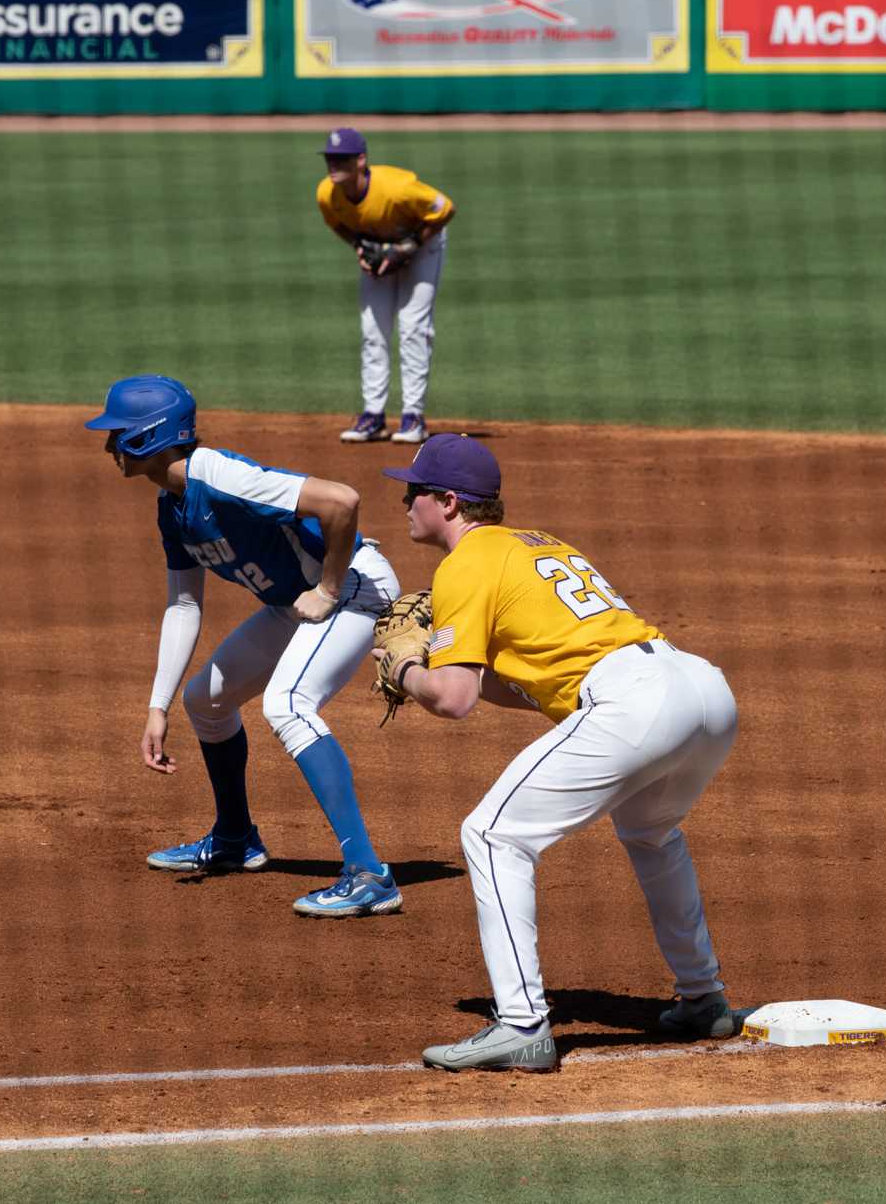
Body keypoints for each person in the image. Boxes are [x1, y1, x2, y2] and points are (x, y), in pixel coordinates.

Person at [376, 434, 743, 1072]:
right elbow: (531, 682)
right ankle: (703, 998)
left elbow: (454, 698)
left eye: (415, 491)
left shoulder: (464, 563)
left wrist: (405, 668)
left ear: (449, 501)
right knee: (652, 831)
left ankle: (521, 1024)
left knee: (490, 834)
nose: (406, 501)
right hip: (700, 690)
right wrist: (435, 669)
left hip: (634, 701)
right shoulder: (537, 544)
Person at [90, 373, 403, 918]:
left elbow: (341, 501)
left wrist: (327, 588)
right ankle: (236, 839)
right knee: (204, 702)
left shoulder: (217, 473)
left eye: (118, 433)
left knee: (288, 704)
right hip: (295, 605)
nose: (109, 446)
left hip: (352, 586)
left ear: (148, 437)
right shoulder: (173, 505)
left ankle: (369, 873)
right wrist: (157, 708)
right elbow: (184, 606)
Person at [314, 126, 455, 447]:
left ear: (361, 160)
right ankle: (373, 416)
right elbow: (338, 225)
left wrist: (407, 248)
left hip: (424, 246)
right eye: (330, 159)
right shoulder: (326, 193)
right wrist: (361, 250)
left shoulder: (397, 189)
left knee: (412, 327)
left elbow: (446, 208)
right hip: (379, 249)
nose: (334, 165)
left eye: (342, 159)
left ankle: (413, 417)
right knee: (372, 330)